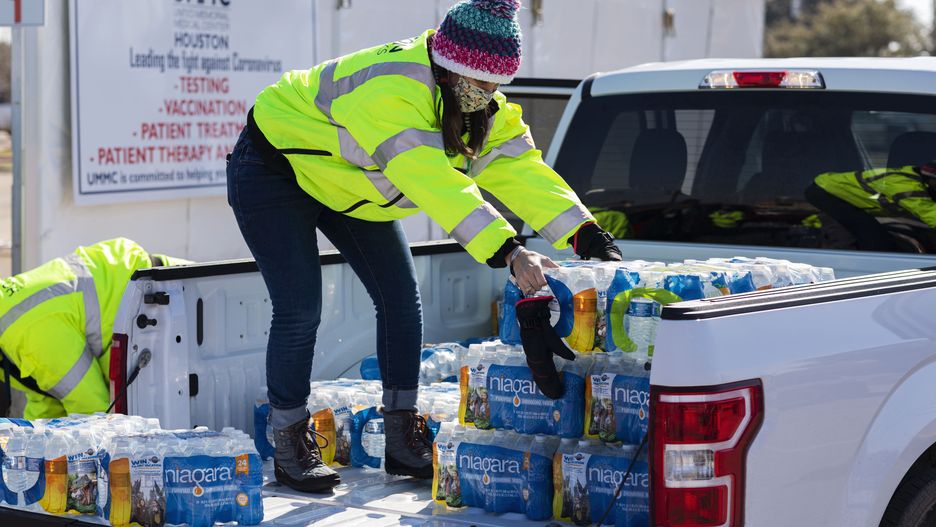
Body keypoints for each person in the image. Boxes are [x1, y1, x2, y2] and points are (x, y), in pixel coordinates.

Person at [226, 0, 621, 492]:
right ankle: (288, 440)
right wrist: (510, 251)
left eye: (498, 86)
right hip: (275, 172)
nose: (490, 96)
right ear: (452, 69)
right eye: (482, 85)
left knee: (400, 300)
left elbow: (519, 167)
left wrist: (585, 233)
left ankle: (400, 439)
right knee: (300, 306)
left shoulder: (471, 101)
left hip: (348, 187)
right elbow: (436, 183)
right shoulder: (392, 91)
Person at [0, 238, 188, 419]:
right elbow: (48, 399)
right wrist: (34, 444)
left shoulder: (29, 334)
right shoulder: (10, 323)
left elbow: (91, 411)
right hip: (149, 299)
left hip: (165, 294)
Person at [805, 162, 936, 251]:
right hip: (826, 190)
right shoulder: (905, 184)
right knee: (876, 240)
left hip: (829, 190)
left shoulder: (917, 181)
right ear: (930, 179)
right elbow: (928, 212)